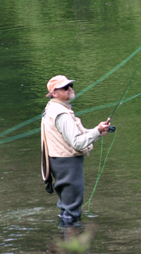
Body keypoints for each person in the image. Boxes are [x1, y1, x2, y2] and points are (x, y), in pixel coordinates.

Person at [40, 75, 111, 227]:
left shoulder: (53, 108)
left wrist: (98, 130)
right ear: (54, 93)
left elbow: (77, 135)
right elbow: (78, 143)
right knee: (72, 208)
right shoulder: (62, 114)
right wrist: (97, 131)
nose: (70, 89)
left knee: (67, 206)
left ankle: (63, 240)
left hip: (58, 162)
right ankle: (72, 243)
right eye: (65, 87)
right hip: (67, 163)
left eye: (70, 86)